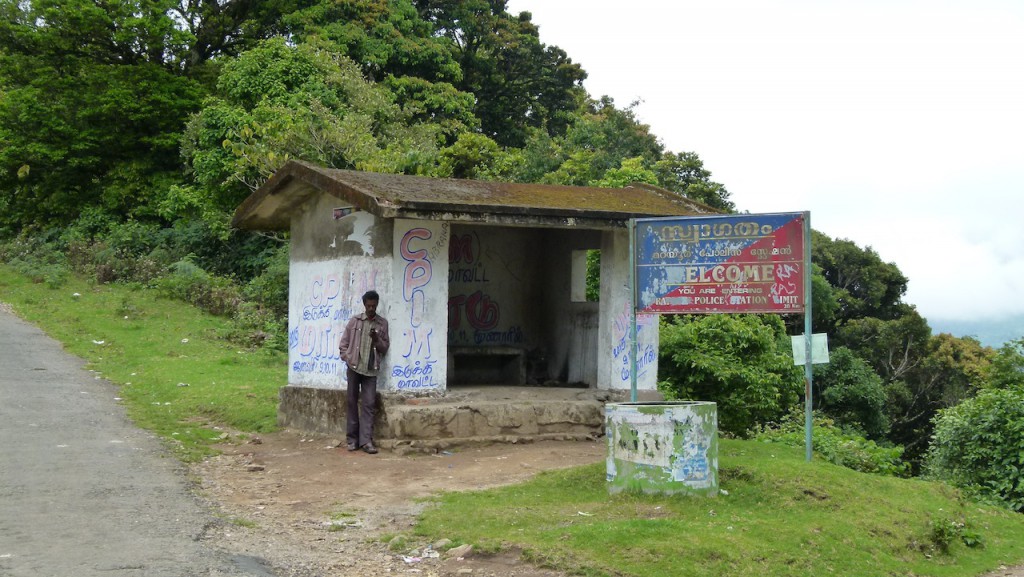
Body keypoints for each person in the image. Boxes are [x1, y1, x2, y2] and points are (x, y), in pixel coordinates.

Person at [338, 290, 390, 454]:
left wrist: (376, 339)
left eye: (374, 306)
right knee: (352, 402)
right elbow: (343, 343)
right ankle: (352, 440)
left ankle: (366, 441)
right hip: (354, 367)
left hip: (371, 370)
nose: (371, 308)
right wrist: (346, 357)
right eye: (368, 305)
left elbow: (384, 348)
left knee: (368, 404)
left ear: (377, 305)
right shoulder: (355, 321)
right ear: (364, 304)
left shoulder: (382, 324)